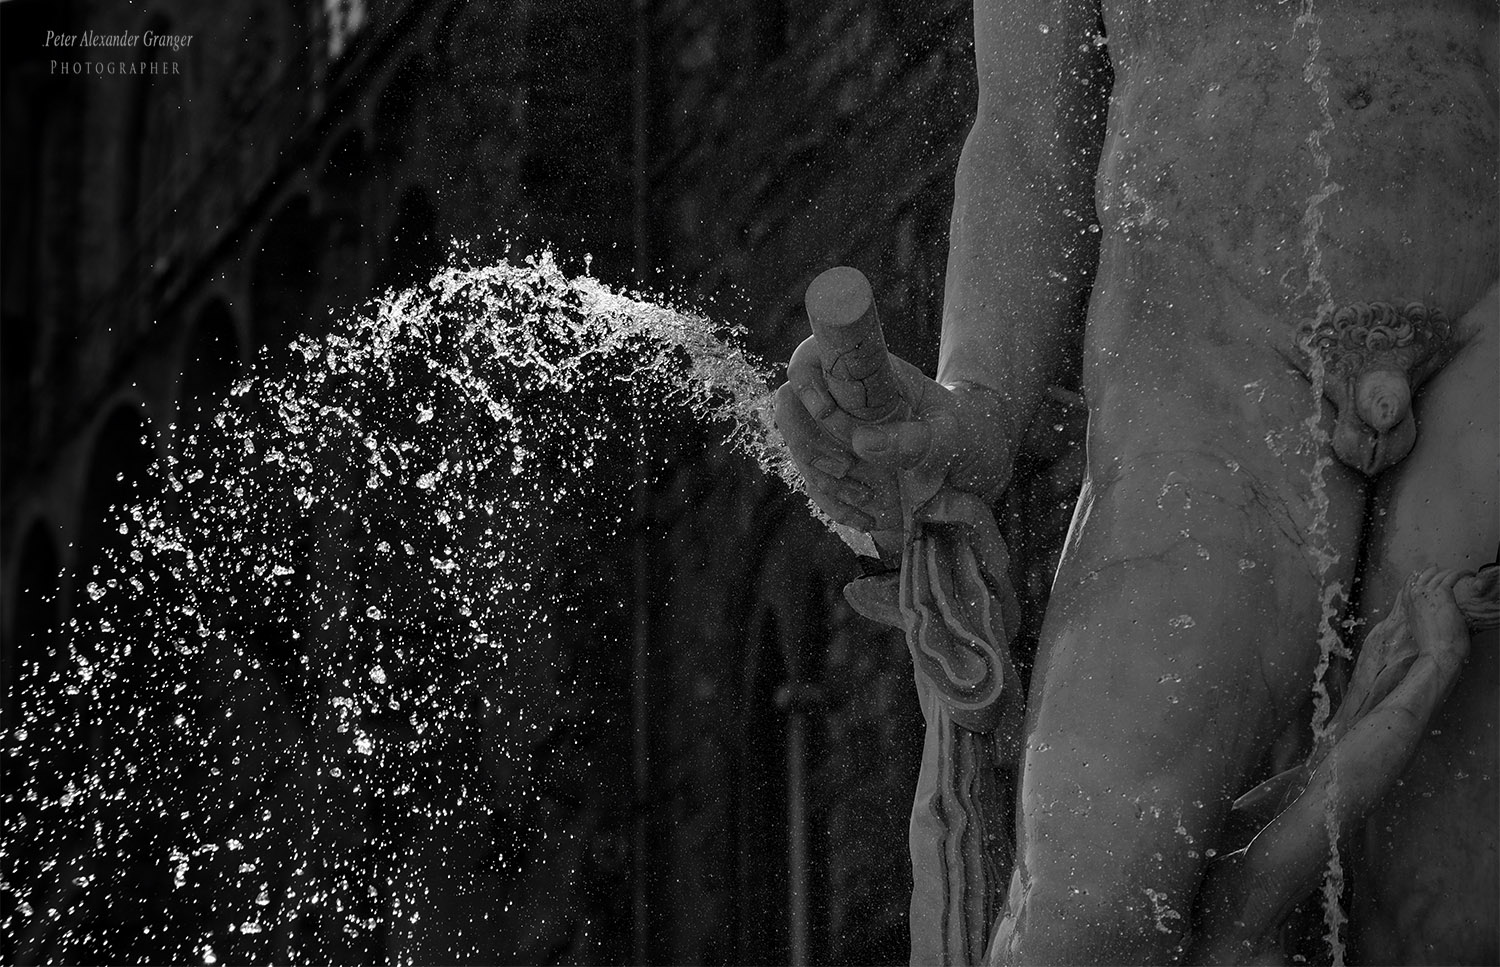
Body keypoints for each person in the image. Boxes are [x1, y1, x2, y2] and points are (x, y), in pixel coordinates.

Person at [774, 0, 1498, 961]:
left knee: (1443, 903)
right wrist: (978, 402)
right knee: (1091, 889)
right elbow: (1032, 137)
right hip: (1205, 364)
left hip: (1486, 317)